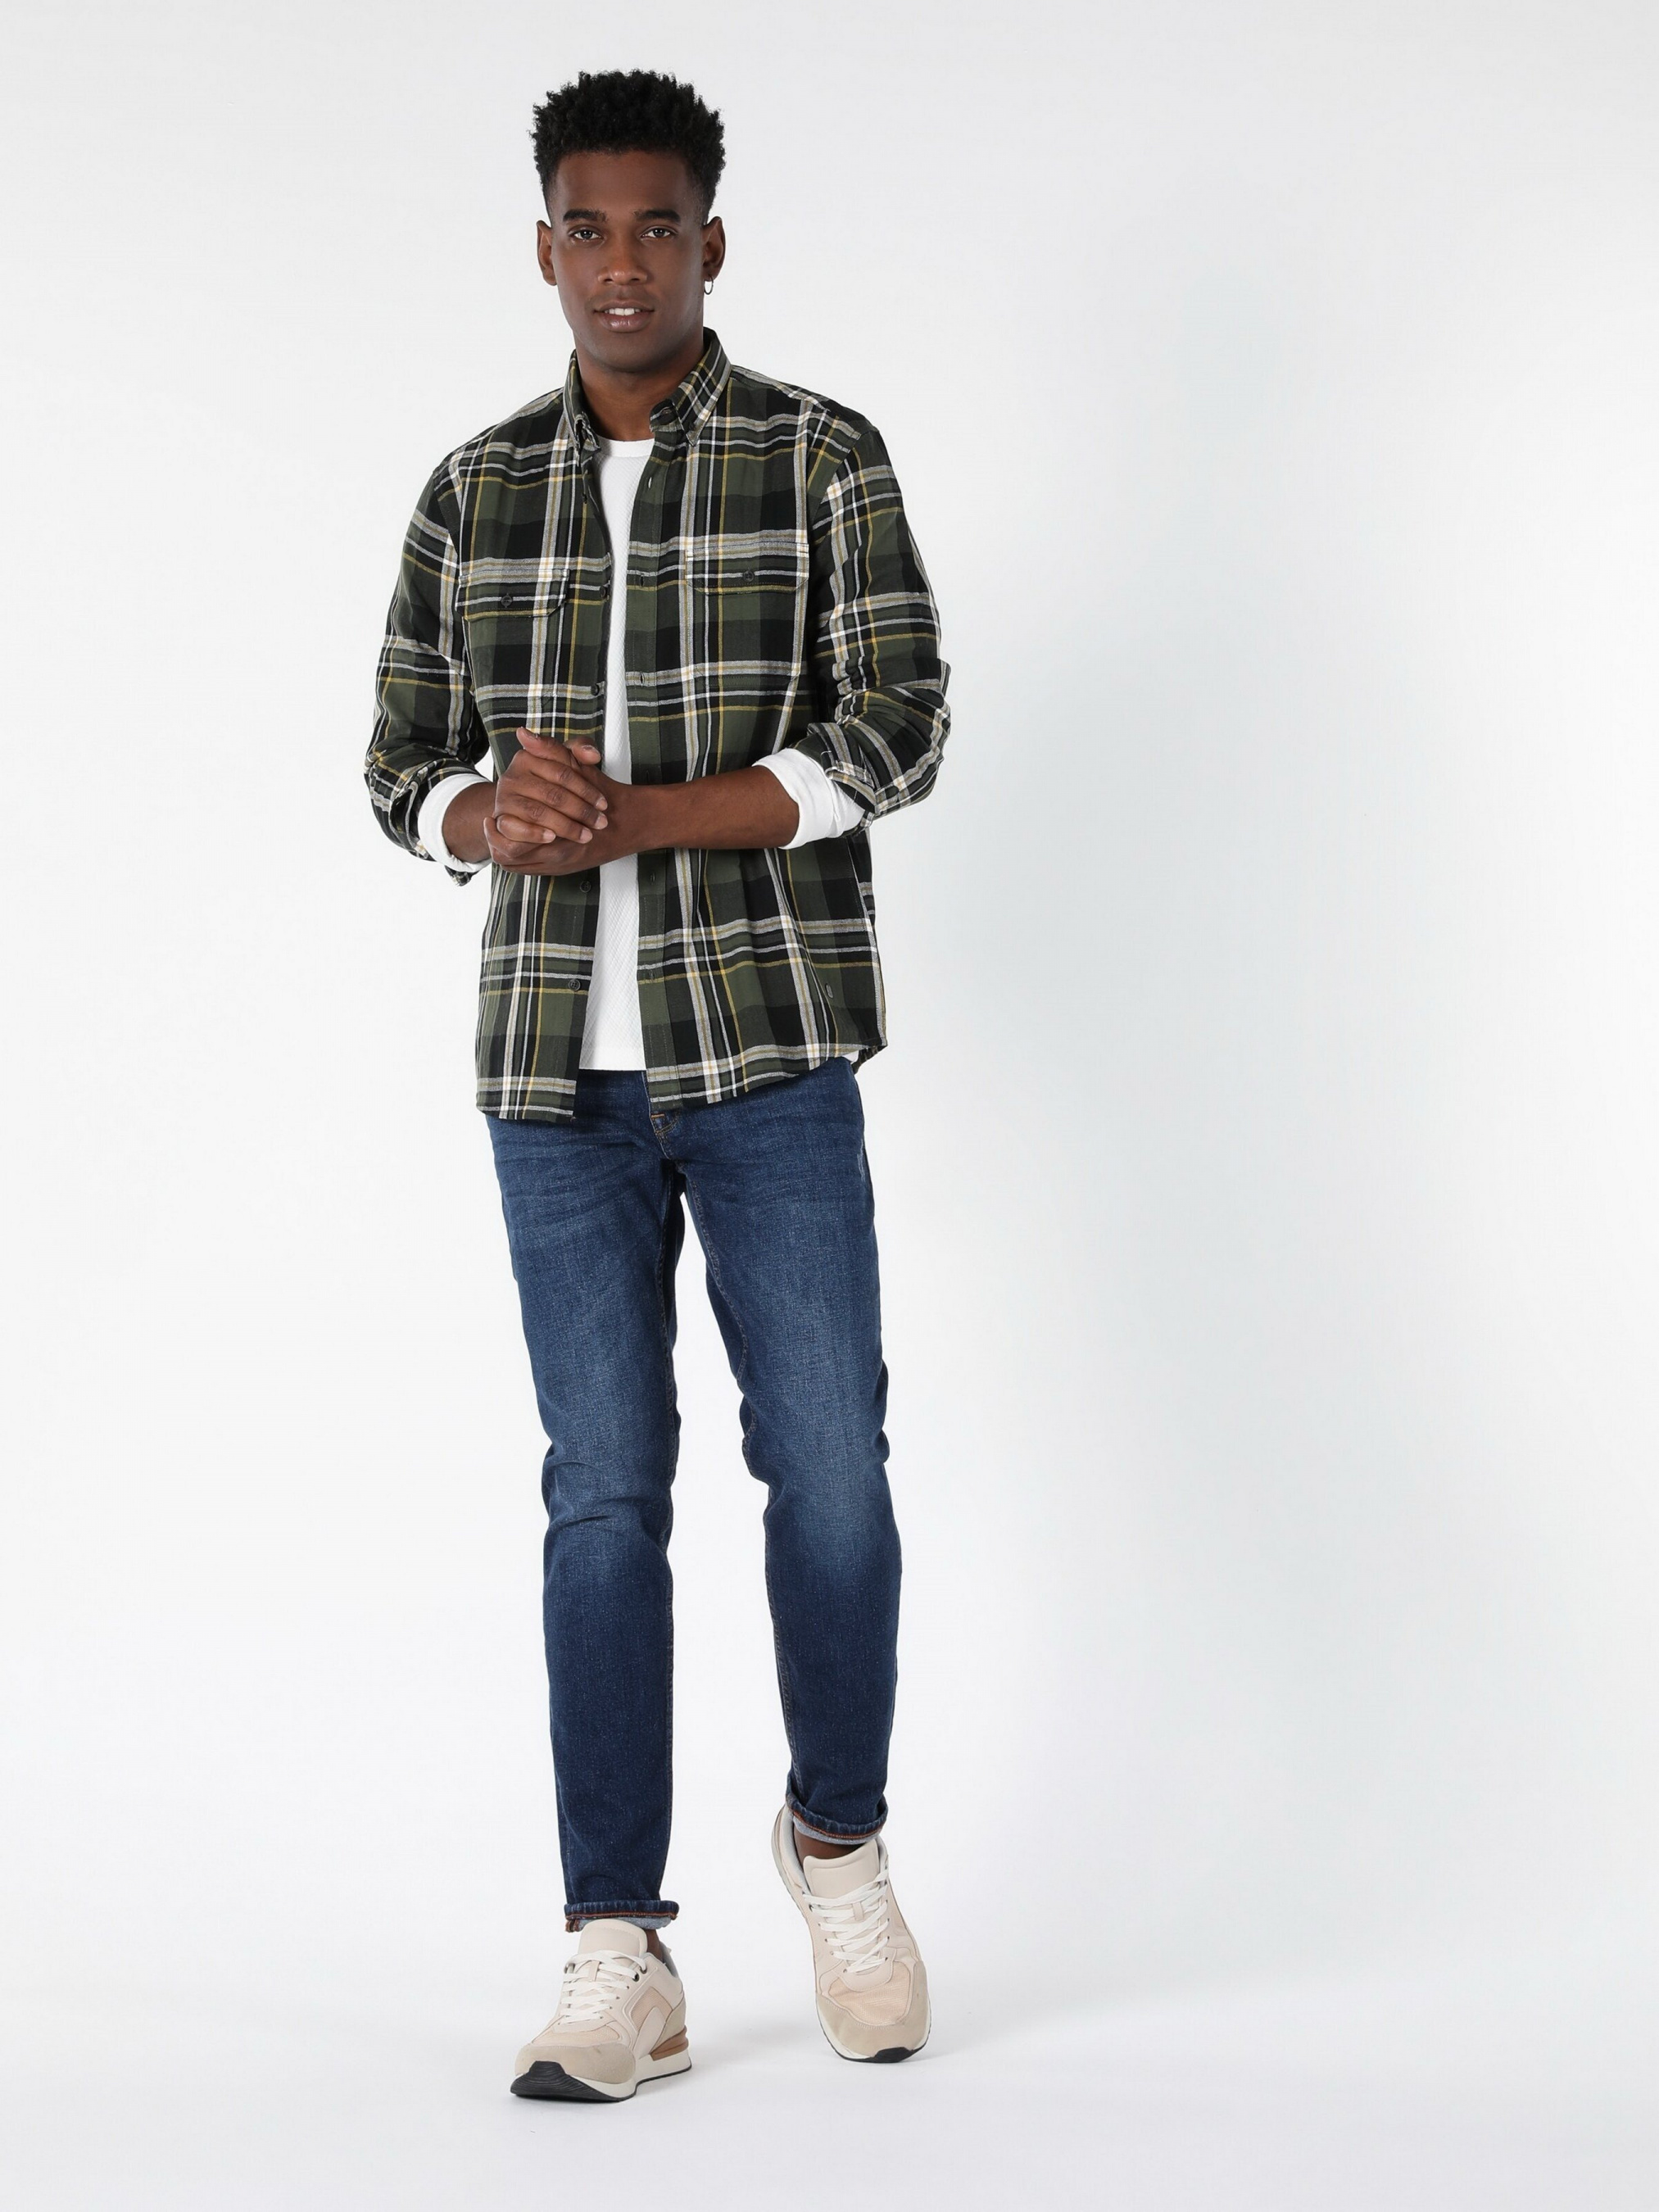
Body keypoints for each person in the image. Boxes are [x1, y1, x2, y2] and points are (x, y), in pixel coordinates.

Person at [366, 67, 950, 2103]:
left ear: (711, 240)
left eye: (657, 226)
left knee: (833, 1473)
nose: (622, 263)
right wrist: (483, 813)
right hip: (555, 1082)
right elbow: (397, 764)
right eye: (587, 229)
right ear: (544, 246)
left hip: (768, 1054)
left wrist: (641, 816)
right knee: (602, 1499)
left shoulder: (817, 455)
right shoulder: (473, 488)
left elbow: (895, 727)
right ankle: (616, 1950)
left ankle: (838, 1848)